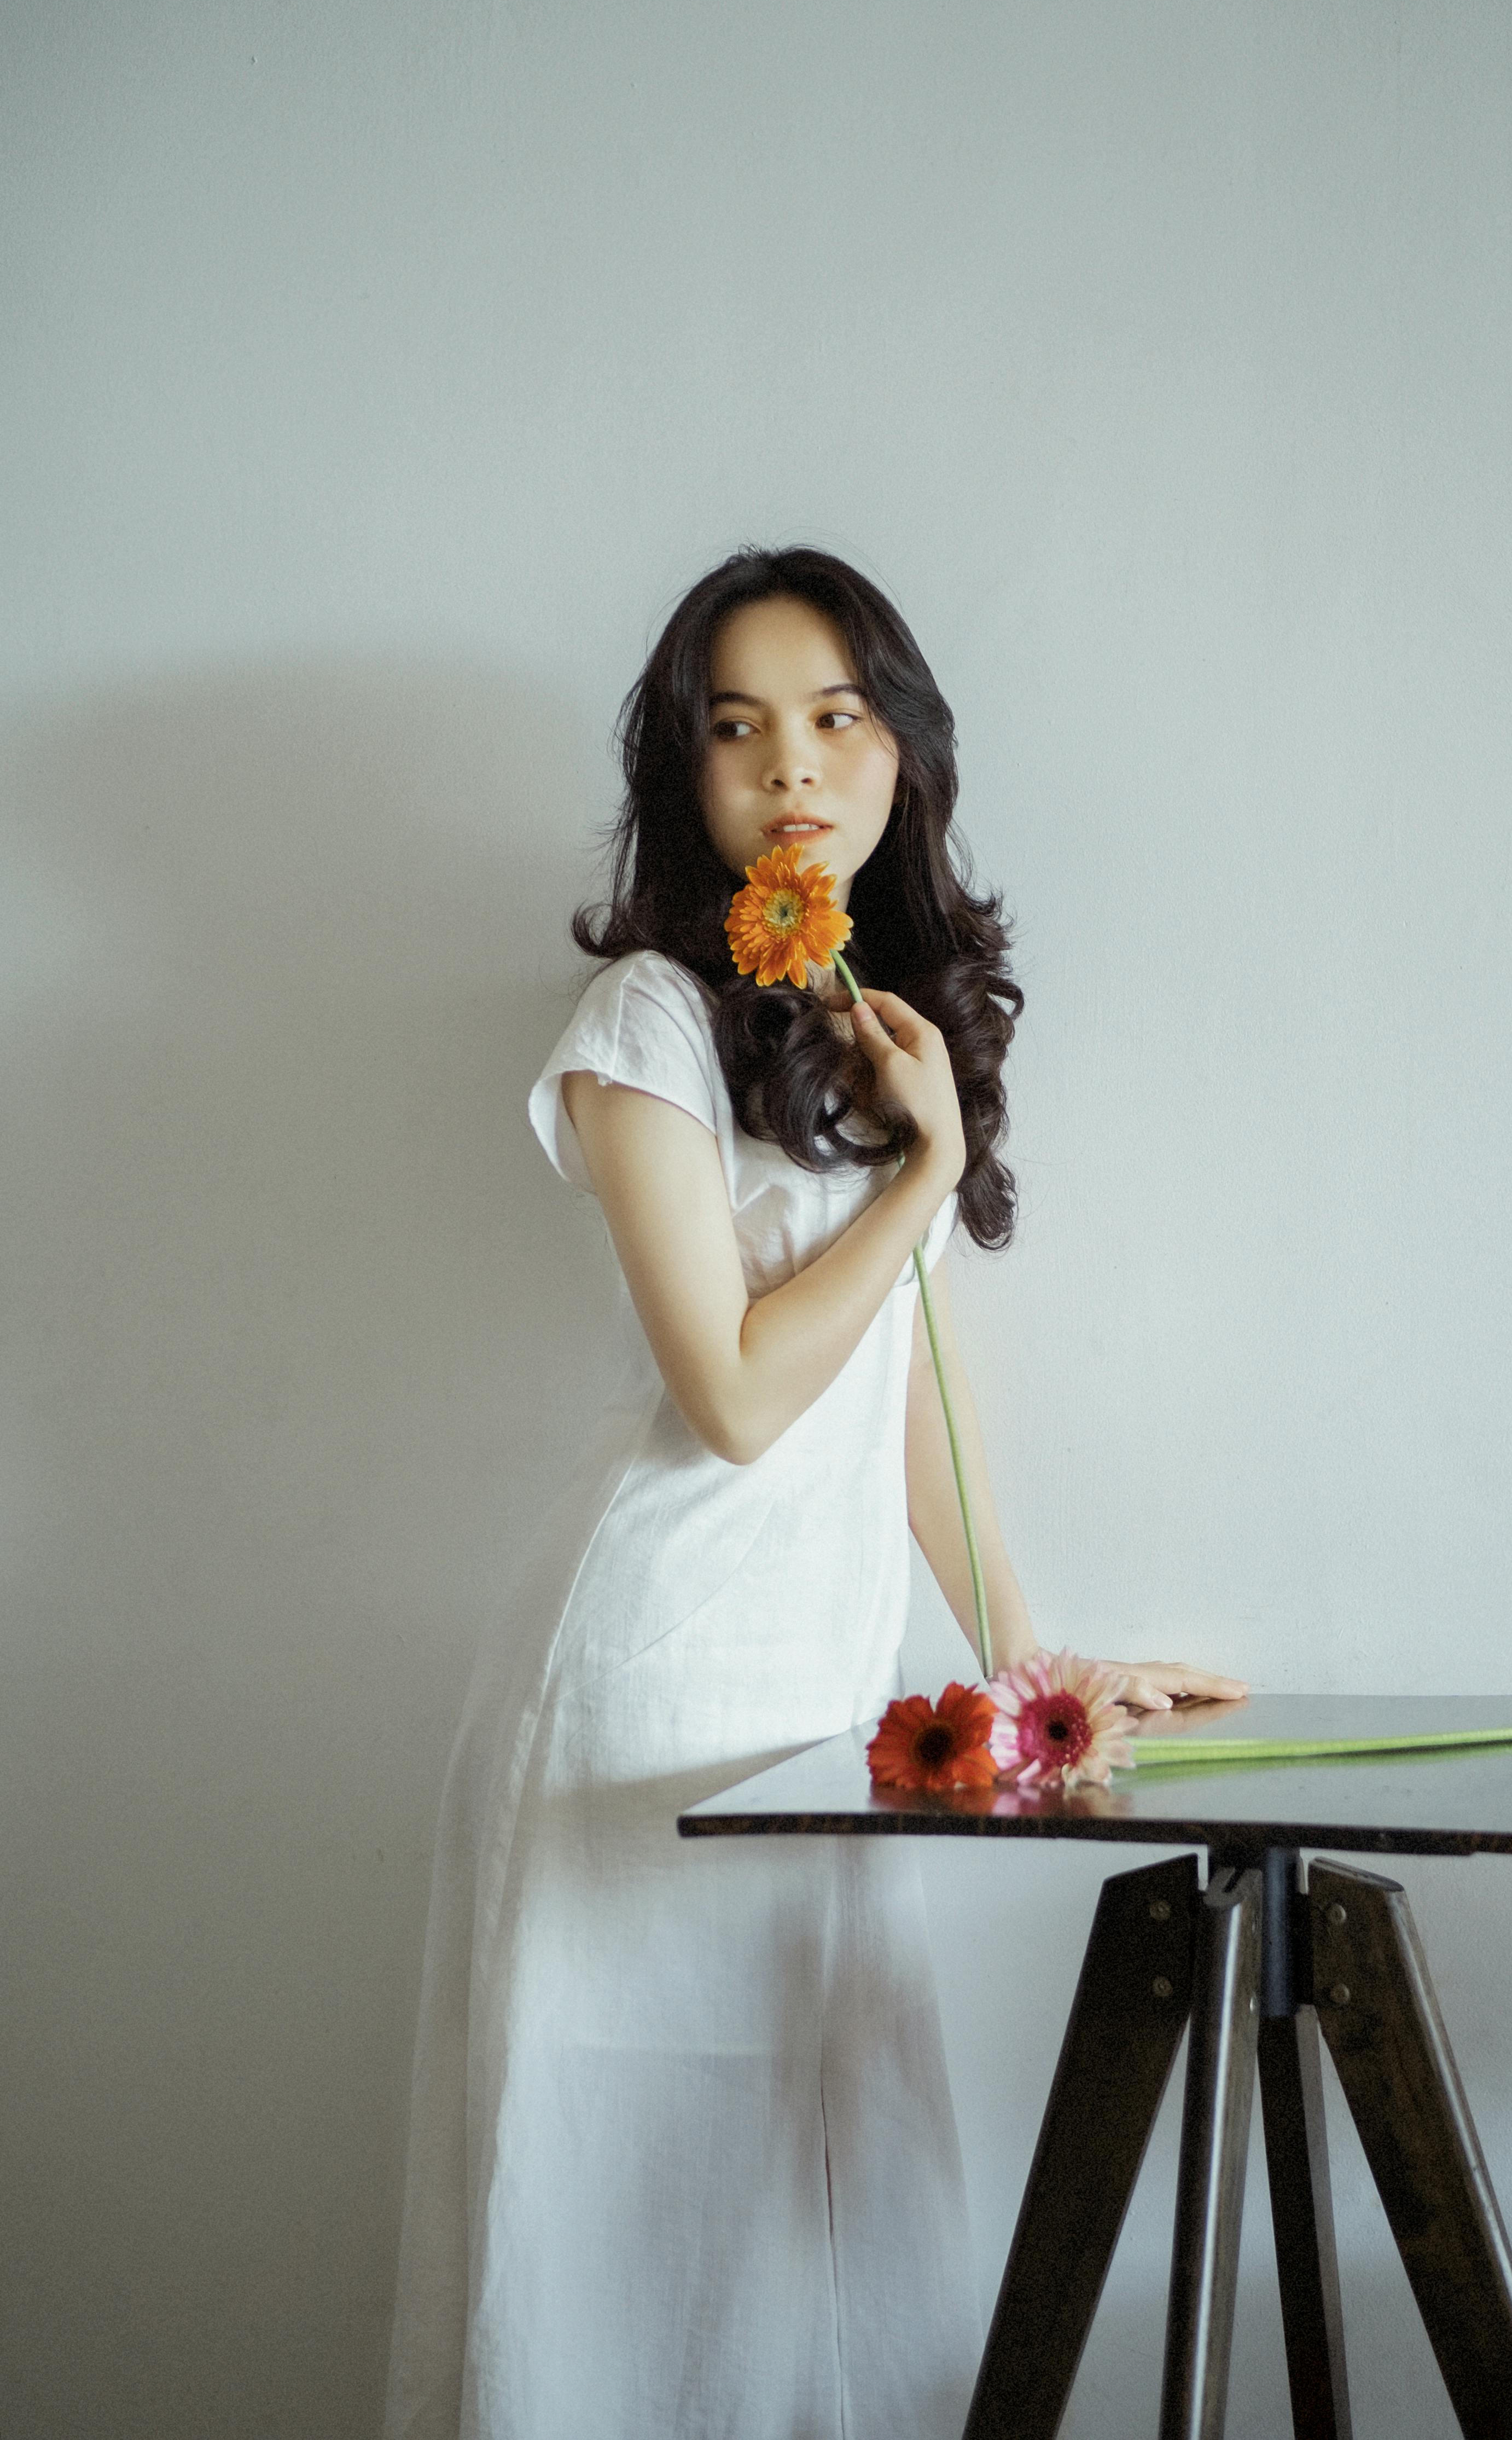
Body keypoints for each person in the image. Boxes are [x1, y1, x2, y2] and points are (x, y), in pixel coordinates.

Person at [383, 546, 1246, 2440]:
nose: (792, 764)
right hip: (648, 1687)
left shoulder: (880, 1027)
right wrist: (923, 1178)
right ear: (684, 776)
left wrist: (1034, 1659)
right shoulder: (643, 1030)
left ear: (903, 752)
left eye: (837, 716)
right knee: (631, 2233)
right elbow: (746, 1395)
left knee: (813, 2214)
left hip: (814, 1693)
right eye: (738, 725)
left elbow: (901, 1414)